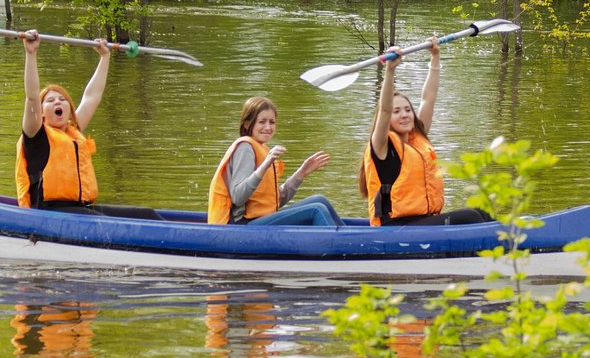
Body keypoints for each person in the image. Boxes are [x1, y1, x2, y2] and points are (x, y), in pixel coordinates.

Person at [359, 38, 490, 226]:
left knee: (482, 212)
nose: (404, 115)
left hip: (424, 220)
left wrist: (435, 56)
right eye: (397, 112)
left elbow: (428, 98)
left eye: (407, 110)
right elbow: (385, 110)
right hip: (394, 227)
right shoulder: (381, 145)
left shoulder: (417, 137)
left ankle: (510, 239)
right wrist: (390, 70)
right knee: (471, 218)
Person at [208, 96, 342, 227]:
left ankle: (349, 238)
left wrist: (301, 173)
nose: (268, 127)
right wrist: (265, 165)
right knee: (316, 209)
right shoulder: (245, 148)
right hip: (242, 226)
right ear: (248, 123)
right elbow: (238, 197)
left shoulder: (262, 148)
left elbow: (275, 201)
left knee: (320, 200)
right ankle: (343, 246)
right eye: (262, 122)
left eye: (272, 122)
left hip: (261, 220)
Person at [15, 30, 111, 212]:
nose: (57, 101)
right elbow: (32, 96)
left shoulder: (72, 130)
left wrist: (104, 58)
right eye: (50, 101)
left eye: (62, 99)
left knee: (146, 216)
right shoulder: (35, 134)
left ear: (69, 109)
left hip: (81, 210)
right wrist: (31, 53)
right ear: (41, 112)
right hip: (50, 212)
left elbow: (92, 97)